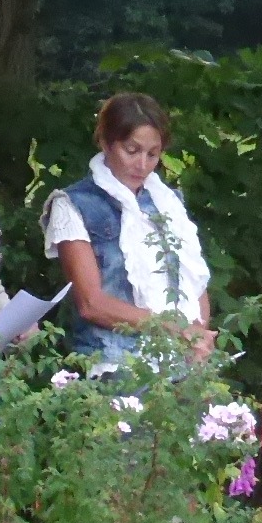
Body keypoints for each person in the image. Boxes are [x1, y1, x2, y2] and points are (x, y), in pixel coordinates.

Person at [44, 93, 215, 370]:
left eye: (153, 154)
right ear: (105, 142)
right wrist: (172, 328)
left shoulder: (168, 203)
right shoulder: (73, 204)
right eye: (132, 150)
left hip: (178, 363)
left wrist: (198, 335)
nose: (143, 165)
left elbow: (194, 283)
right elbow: (91, 303)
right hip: (112, 365)